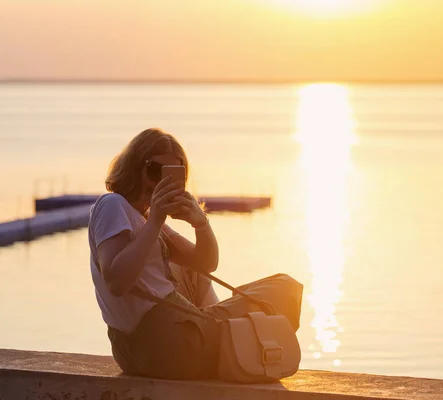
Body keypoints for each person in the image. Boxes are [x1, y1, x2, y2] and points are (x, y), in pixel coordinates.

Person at [88, 128, 303, 380]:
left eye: (171, 174)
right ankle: (254, 357)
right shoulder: (113, 204)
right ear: (135, 167)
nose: (160, 183)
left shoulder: (145, 220)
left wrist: (201, 223)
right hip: (169, 340)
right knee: (284, 289)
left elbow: (205, 263)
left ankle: (247, 355)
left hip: (148, 349)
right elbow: (116, 280)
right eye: (155, 171)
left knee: (272, 293)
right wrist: (156, 219)